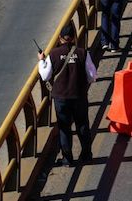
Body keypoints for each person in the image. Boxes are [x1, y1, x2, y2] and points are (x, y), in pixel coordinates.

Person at [37, 25, 96, 167]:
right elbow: (92, 76)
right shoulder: (82, 53)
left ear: (60, 38)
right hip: (79, 96)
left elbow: (45, 76)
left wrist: (41, 61)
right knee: (82, 125)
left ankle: (67, 159)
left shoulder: (54, 54)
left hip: (61, 98)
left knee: (64, 128)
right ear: (74, 37)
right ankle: (86, 155)